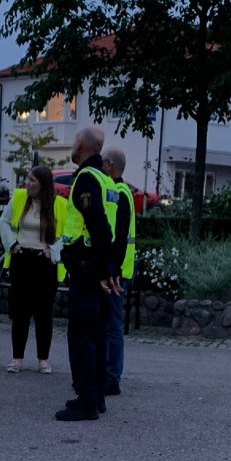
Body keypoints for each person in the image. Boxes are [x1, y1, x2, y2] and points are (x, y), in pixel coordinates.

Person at [57, 126, 124, 422]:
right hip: (98, 268)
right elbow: (116, 232)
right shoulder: (107, 180)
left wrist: (98, 268)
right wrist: (110, 268)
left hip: (86, 268)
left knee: (82, 335)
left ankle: (86, 399)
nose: (72, 146)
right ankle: (96, 397)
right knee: (97, 334)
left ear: (81, 144)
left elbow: (97, 224)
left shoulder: (86, 177)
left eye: (74, 141)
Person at [0, 165, 67, 374]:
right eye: (27, 179)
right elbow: (3, 221)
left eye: (32, 180)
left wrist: (52, 250)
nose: (27, 183)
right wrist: (12, 245)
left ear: (43, 184)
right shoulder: (19, 198)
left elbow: (69, 232)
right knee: (21, 311)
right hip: (21, 259)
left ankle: (42, 360)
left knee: (43, 312)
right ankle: (16, 359)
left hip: (45, 262)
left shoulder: (60, 205)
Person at [101, 147, 135, 396]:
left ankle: (112, 377)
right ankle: (109, 374)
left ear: (110, 165)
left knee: (112, 325)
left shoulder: (119, 193)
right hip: (120, 269)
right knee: (110, 324)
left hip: (117, 272)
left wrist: (112, 269)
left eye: (103, 164)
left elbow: (118, 235)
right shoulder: (124, 192)